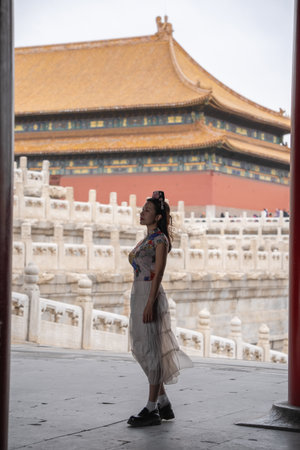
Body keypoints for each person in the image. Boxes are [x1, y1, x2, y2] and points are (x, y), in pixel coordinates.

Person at [127, 191, 193, 427]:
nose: (141, 213)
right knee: (142, 348)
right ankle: (163, 401)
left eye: (147, 210)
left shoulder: (160, 241)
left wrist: (150, 303)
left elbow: (158, 274)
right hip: (138, 294)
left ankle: (151, 408)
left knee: (151, 350)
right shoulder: (145, 239)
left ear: (157, 217)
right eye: (142, 209)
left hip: (150, 295)